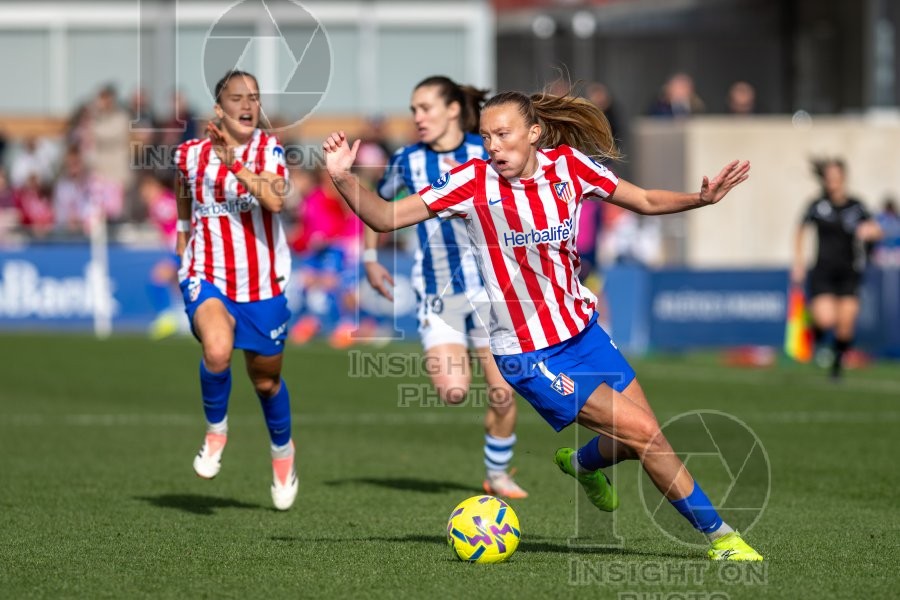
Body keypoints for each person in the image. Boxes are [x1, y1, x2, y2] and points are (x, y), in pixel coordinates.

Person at [323, 90, 763, 561]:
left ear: (534, 133)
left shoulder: (569, 167)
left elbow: (644, 199)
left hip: (583, 333)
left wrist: (700, 198)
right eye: (486, 137)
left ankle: (582, 463)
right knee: (645, 434)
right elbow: (384, 217)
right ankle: (723, 539)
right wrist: (344, 178)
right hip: (528, 353)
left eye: (503, 134)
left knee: (638, 435)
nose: (493, 146)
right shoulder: (472, 182)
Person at [363, 76, 527, 499]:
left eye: (426, 108)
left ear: (453, 109)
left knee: (503, 392)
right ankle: (462, 352)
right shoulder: (406, 160)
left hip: (492, 292)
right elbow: (376, 206)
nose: (417, 117)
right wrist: (369, 258)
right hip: (439, 293)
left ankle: (497, 473)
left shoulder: (484, 151)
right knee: (454, 391)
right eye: (414, 110)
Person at [174, 70, 298, 510]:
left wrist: (233, 163)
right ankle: (216, 432)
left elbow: (276, 200)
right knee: (217, 350)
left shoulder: (270, 150)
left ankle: (283, 452)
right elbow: (183, 188)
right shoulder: (189, 153)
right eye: (237, 97)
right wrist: (183, 231)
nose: (247, 105)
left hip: (262, 284)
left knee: (266, 381)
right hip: (206, 273)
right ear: (218, 108)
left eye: (254, 97)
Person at [791, 159, 883, 379]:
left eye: (836, 176)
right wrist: (798, 262)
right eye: (828, 177)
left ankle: (837, 367)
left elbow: (876, 230)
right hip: (823, 271)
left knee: (846, 324)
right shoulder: (817, 205)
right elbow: (800, 230)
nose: (832, 181)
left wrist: (870, 232)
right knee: (826, 319)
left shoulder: (856, 206)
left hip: (849, 271)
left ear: (843, 178)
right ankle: (816, 331)